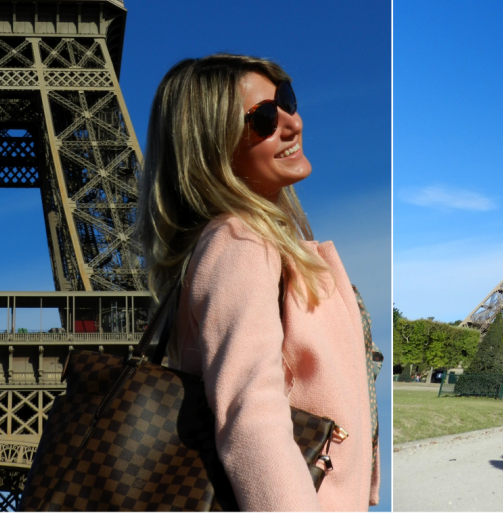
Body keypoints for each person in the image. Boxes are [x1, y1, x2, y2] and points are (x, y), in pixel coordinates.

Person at [138, 54, 380, 511]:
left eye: (286, 101)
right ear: (211, 147)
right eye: (263, 119)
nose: (291, 122)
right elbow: (251, 414)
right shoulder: (238, 241)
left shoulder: (259, 241)